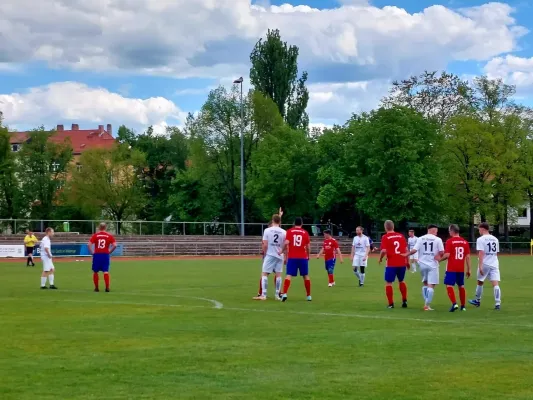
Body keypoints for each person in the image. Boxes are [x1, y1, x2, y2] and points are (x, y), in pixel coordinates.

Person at [404, 224, 444, 311]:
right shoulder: (438, 239)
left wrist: (406, 254)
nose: (437, 232)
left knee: (425, 284)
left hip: (422, 264)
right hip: (432, 265)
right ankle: (427, 305)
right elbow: (441, 252)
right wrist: (439, 257)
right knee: (431, 285)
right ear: (432, 230)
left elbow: (414, 250)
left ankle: (425, 303)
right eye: (436, 231)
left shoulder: (420, 238)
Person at [437, 224, 471, 312]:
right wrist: (469, 269)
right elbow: (467, 257)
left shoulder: (450, 241)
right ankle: (463, 306)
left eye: (449, 231)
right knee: (461, 286)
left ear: (452, 231)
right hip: (461, 268)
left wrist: (439, 260)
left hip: (451, 267)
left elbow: (447, 255)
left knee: (449, 285)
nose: (449, 232)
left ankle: (454, 303)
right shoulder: (465, 242)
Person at [469, 222, 501, 310]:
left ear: (483, 229)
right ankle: (497, 303)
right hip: (494, 263)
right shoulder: (495, 239)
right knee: (495, 284)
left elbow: (481, 252)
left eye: (479, 229)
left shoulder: (481, 239)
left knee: (480, 282)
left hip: (485, 263)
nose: (478, 231)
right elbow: (496, 252)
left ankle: (477, 300)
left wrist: (480, 266)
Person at [253, 214, 286, 300]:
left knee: (264, 273)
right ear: (280, 221)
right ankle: (277, 295)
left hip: (270, 254)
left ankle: (263, 295)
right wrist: (282, 251)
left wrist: (264, 254)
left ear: (272, 220)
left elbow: (265, 244)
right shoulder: (284, 232)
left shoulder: (267, 230)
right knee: (278, 275)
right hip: (280, 255)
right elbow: (285, 244)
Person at [279, 217, 311, 302]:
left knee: (289, 275)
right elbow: (308, 247)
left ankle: (285, 293)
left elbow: (286, 243)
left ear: (294, 223)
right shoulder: (305, 232)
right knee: (305, 275)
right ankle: (308, 296)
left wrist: (281, 251)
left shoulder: (289, 231)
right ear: (302, 223)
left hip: (292, 257)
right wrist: (308, 255)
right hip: (303, 257)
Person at [379, 220, 408, 308]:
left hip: (391, 263)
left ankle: (391, 304)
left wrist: (380, 258)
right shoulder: (401, 236)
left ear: (385, 227)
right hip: (402, 262)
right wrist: (407, 261)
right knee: (401, 280)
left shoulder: (385, 237)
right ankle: (404, 301)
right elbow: (406, 250)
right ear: (393, 227)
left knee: (389, 283)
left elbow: (383, 250)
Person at [88, 223, 117, 292]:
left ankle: (96, 288)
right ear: (105, 227)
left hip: (97, 255)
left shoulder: (95, 235)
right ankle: (107, 287)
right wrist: (109, 252)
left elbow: (89, 244)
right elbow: (115, 245)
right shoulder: (109, 236)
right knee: (105, 271)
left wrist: (92, 252)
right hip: (105, 255)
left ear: (99, 227)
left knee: (95, 271)